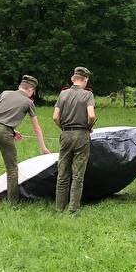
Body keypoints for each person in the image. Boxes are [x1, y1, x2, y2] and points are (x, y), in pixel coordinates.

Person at [0, 74, 50, 205]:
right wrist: (43, 148)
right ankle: (13, 203)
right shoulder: (28, 102)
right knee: (12, 169)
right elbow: (36, 128)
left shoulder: (5, 93)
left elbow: (0, 115)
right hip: (4, 132)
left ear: (20, 86)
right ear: (31, 90)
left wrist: (13, 131)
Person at [53, 66, 96, 213]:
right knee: (78, 175)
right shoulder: (88, 95)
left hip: (66, 134)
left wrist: (63, 128)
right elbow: (91, 115)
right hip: (82, 134)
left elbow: (55, 117)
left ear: (73, 79)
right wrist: (89, 126)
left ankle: (59, 207)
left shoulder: (63, 94)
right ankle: (72, 209)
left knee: (62, 173)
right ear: (85, 80)